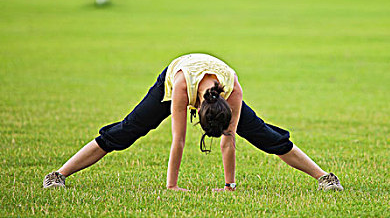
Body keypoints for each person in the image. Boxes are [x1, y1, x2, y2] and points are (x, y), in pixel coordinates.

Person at [43, 53, 343, 191]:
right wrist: (172, 187)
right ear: (197, 111)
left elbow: (229, 140)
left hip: (214, 85)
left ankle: (325, 178)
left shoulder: (233, 90)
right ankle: (58, 174)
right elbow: (179, 141)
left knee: (266, 135)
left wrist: (229, 186)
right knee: (127, 131)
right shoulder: (181, 89)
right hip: (175, 76)